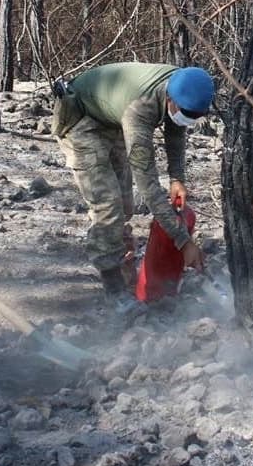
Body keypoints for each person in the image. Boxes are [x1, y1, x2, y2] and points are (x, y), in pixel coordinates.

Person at [51, 63, 214, 312]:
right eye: (185, 113)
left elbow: (175, 129)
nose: (187, 119)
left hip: (110, 118)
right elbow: (147, 185)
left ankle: (126, 270)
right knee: (108, 206)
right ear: (170, 99)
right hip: (81, 120)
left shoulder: (182, 84)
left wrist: (176, 178)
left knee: (125, 206)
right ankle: (114, 287)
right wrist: (183, 241)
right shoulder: (140, 110)